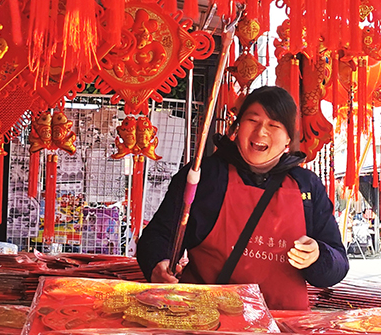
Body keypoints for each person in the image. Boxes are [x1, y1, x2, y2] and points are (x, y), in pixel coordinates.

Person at [137, 85, 348, 310]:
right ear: (237, 126)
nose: (261, 133)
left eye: (274, 125)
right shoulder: (205, 175)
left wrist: (317, 256)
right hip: (207, 323)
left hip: (282, 330)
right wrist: (158, 264)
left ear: (288, 138)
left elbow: (337, 265)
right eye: (252, 121)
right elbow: (160, 236)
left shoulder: (307, 185)